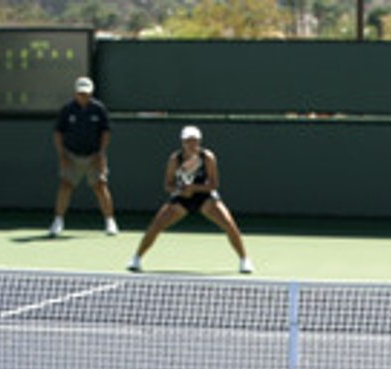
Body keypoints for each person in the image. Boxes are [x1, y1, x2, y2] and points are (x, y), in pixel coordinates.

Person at [127, 126, 253, 274]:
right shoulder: (175, 159)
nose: (191, 144)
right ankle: (136, 258)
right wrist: (180, 191)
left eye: (194, 141)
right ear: (182, 142)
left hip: (205, 197)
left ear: (199, 141)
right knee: (156, 225)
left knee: (229, 224)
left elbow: (213, 185)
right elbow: (168, 185)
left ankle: (244, 260)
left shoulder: (208, 157)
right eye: (188, 141)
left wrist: (193, 188)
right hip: (181, 198)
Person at [49, 76, 117, 237]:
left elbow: (105, 133)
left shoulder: (99, 109)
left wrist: (100, 154)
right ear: (75, 93)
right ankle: (58, 221)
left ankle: (110, 221)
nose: (83, 96)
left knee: (101, 186)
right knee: (65, 186)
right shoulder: (67, 109)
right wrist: (62, 155)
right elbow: (58, 133)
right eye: (80, 93)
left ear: (91, 93)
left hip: (94, 156)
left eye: (86, 93)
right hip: (71, 155)